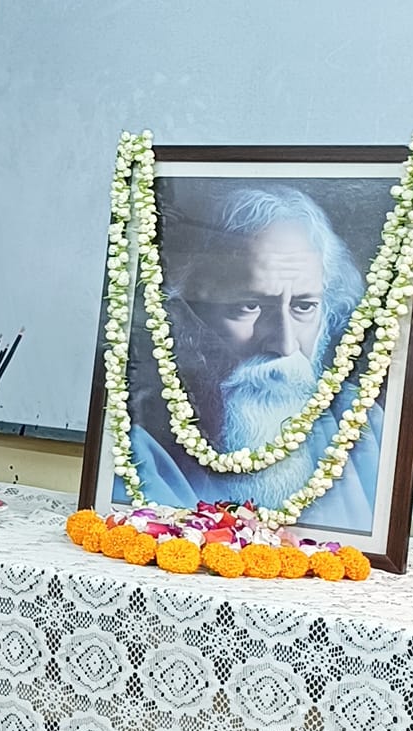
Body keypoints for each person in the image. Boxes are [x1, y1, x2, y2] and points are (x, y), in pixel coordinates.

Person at [125, 182, 382, 530]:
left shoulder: (363, 424)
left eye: (304, 306)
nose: (285, 344)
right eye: (249, 306)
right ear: (189, 314)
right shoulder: (138, 438)